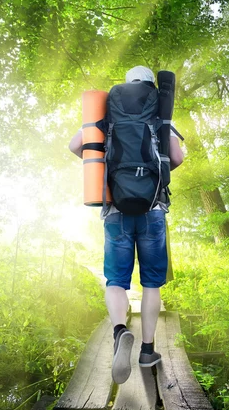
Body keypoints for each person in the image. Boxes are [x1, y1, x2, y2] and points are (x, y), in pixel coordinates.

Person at [69, 66, 184, 384]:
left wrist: (105, 164)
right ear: (150, 86)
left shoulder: (107, 111)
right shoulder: (161, 114)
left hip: (115, 209)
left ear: (127, 84)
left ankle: (120, 332)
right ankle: (148, 351)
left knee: (116, 281)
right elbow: (177, 158)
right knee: (151, 284)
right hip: (153, 209)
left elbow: (74, 146)